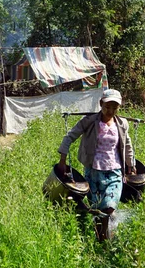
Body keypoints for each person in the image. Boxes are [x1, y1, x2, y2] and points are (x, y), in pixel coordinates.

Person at [57, 89, 136, 241]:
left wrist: (131, 165)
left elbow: (127, 144)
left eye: (115, 107)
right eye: (107, 107)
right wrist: (63, 159)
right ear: (101, 104)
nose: (111, 111)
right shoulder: (90, 121)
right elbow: (70, 137)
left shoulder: (122, 124)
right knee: (97, 209)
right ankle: (102, 239)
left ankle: (105, 235)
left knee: (109, 207)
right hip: (93, 171)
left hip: (114, 172)